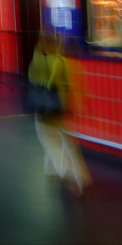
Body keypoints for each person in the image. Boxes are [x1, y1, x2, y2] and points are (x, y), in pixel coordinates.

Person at [28, 31, 91, 195]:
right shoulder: (74, 64)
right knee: (67, 139)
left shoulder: (44, 61)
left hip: (49, 105)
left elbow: (42, 82)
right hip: (66, 104)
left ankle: (66, 171)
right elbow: (80, 89)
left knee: (47, 138)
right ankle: (80, 175)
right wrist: (81, 106)